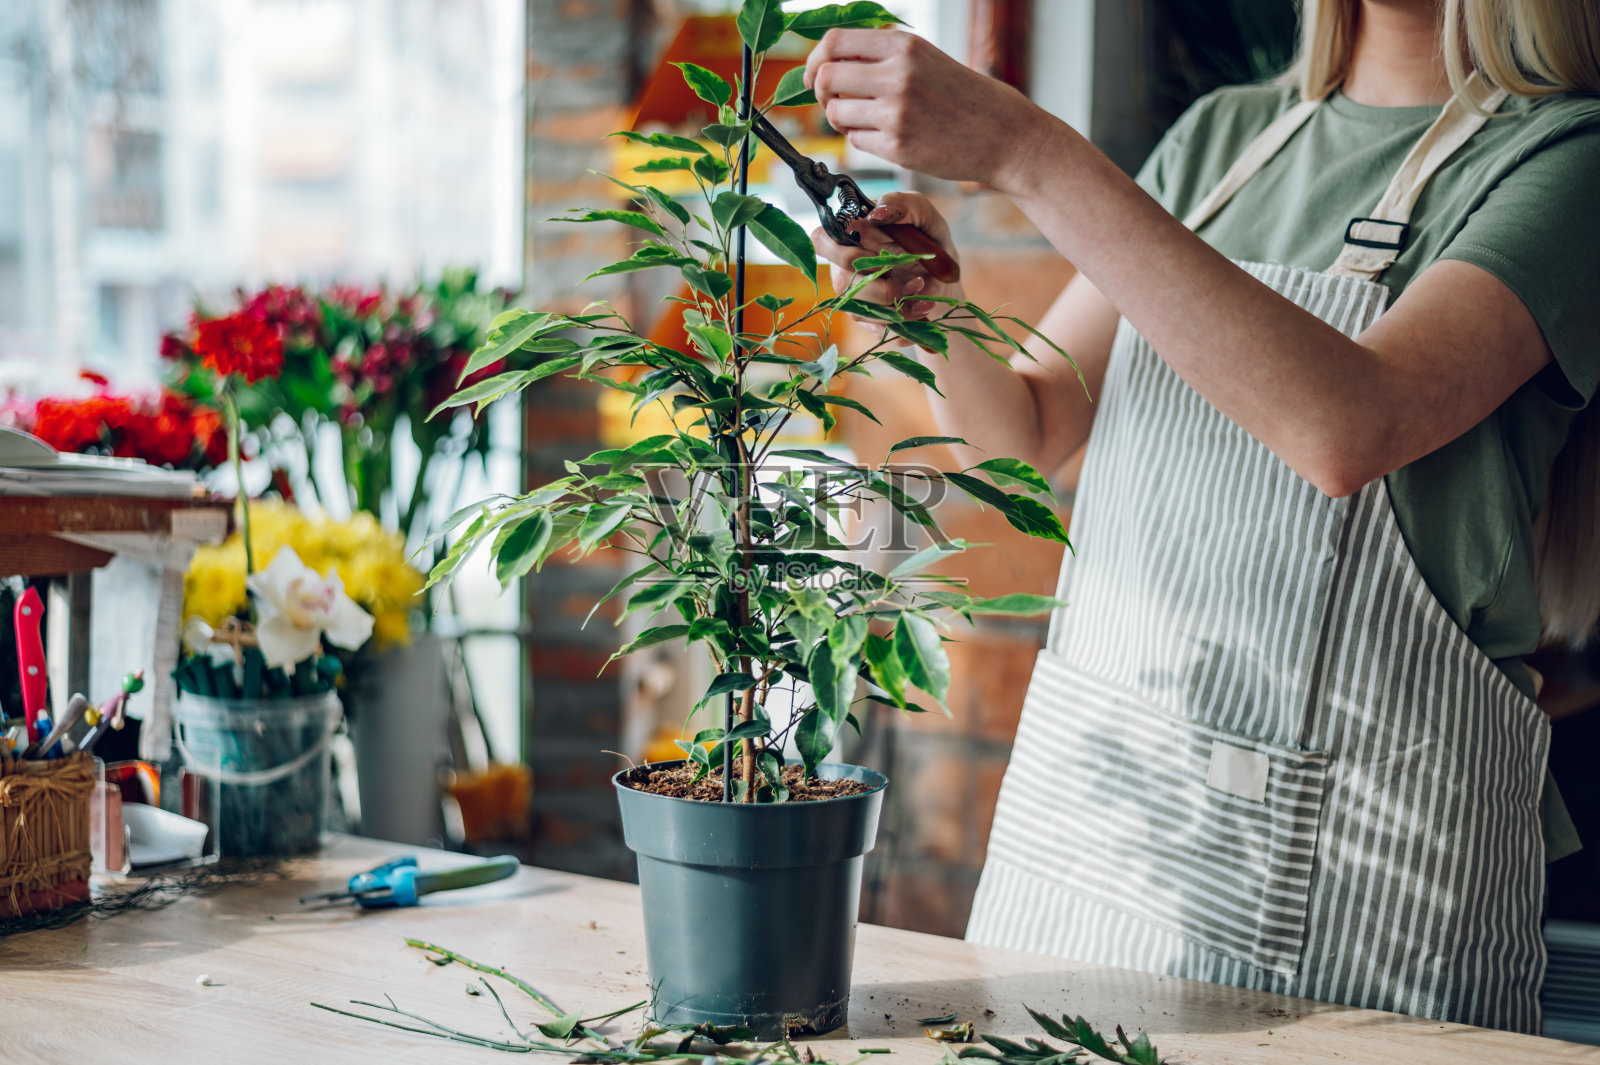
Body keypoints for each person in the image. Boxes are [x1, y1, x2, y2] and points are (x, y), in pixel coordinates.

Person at [804, 0, 1600, 1035]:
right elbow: (1025, 432)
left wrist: (1026, 151)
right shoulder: (1225, 137)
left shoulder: (1567, 158)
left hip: (1364, 872)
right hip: (1103, 825)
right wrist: (918, 305)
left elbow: (1347, 424)